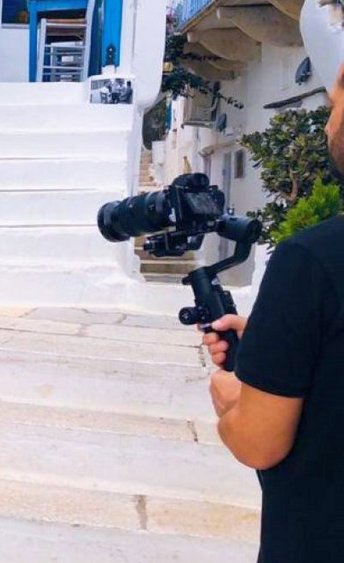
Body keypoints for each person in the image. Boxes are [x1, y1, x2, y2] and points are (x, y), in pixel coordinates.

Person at [199, 64, 344, 561]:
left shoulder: (312, 262)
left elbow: (258, 443)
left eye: (336, 99)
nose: (328, 117)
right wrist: (272, 346)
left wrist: (232, 398)